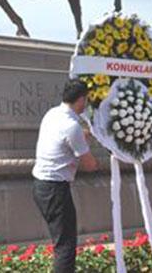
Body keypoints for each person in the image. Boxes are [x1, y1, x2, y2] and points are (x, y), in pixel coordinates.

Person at [31, 79, 99, 273]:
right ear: (81, 100)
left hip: (40, 186)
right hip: (55, 190)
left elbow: (62, 141)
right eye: (86, 100)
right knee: (66, 247)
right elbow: (89, 165)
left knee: (61, 243)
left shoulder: (52, 113)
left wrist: (81, 138)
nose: (86, 104)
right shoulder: (72, 126)